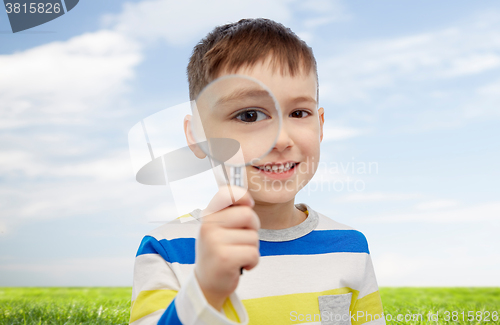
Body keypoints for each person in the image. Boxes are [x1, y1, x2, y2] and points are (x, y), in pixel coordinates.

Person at [129, 18, 385, 325]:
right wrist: (205, 290)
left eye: (298, 113)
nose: (281, 139)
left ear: (320, 126)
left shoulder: (351, 246)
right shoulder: (167, 249)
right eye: (249, 115)